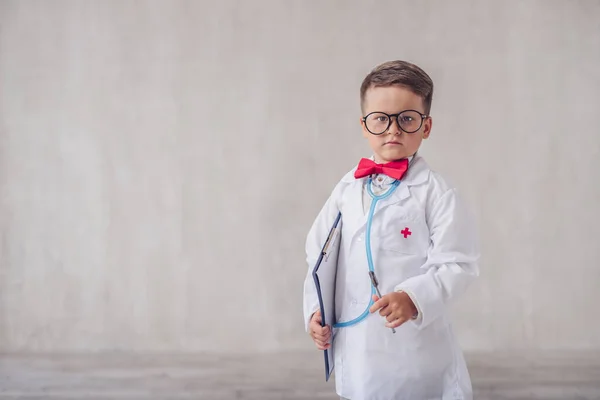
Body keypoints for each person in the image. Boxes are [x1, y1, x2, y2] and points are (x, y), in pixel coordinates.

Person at [302, 60, 480, 400]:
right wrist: (315, 310)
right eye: (381, 119)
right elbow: (317, 254)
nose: (393, 130)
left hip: (414, 351)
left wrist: (414, 298)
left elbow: (458, 263)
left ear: (426, 127)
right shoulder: (346, 188)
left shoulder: (437, 193)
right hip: (358, 346)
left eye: (407, 119)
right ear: (364, 125)